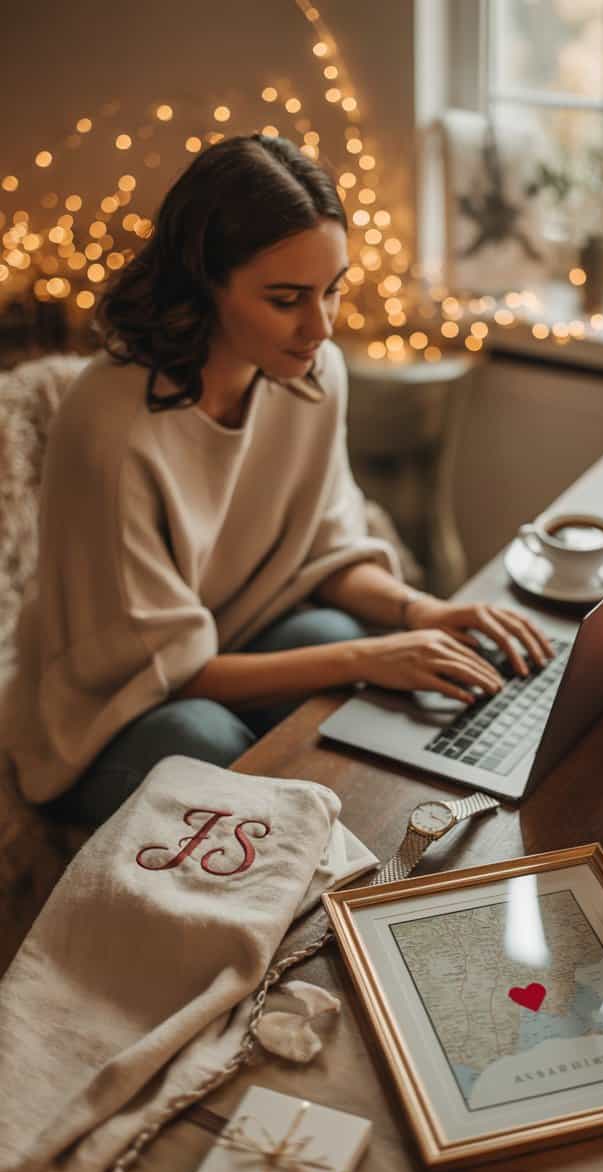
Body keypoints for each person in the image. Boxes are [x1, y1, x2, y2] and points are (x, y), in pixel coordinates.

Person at [7, 133, 552, 827]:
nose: (319, 326)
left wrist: (421, 613)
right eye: (287, 298)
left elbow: (328, 550)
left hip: (229, 643)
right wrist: (369, 655)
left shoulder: (313, 376)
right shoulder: (112, 429)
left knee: (332, 631)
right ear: (202, 283)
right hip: (105, 716)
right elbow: (168, 673)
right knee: (207, 741)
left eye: (332, 290)